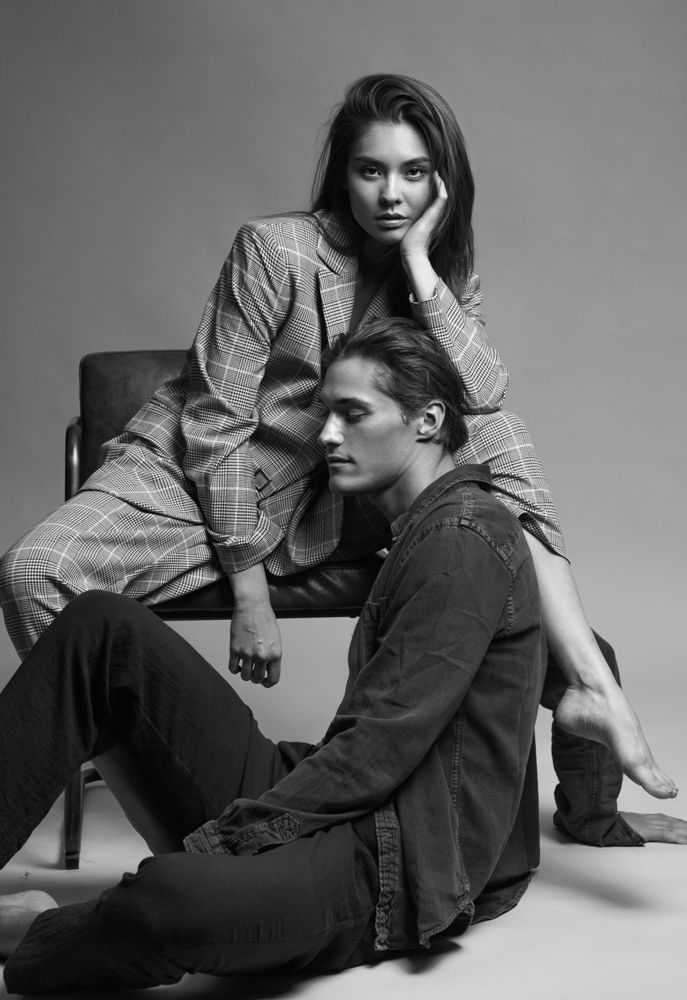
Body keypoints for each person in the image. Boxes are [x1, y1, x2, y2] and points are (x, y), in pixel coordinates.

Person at [0, 73, 674, 799]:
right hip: (198, 481)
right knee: (32, 571)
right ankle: (134, 762)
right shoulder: (273, 249)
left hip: (337, 500)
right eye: (371, 169)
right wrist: (250, 590)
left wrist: (419, 266)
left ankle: (595, 690)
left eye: (413, 173)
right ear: (342, 173)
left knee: (495, 434)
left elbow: (480, 393)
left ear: (440, 182)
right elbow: (214, 421)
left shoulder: (443, 271)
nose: (391, 194)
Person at [1, 320, 682, 995]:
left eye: (353, 414)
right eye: (326, 413)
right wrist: (590, 815)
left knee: (167, 900)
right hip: (339, 807)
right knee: (100, 627)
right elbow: (589, 657)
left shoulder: (462, 540)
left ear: (427, 421)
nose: (326, 434)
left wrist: (229, 841)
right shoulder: (423, 528)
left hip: (392, 865)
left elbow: (381, 746)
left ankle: (34, 929)